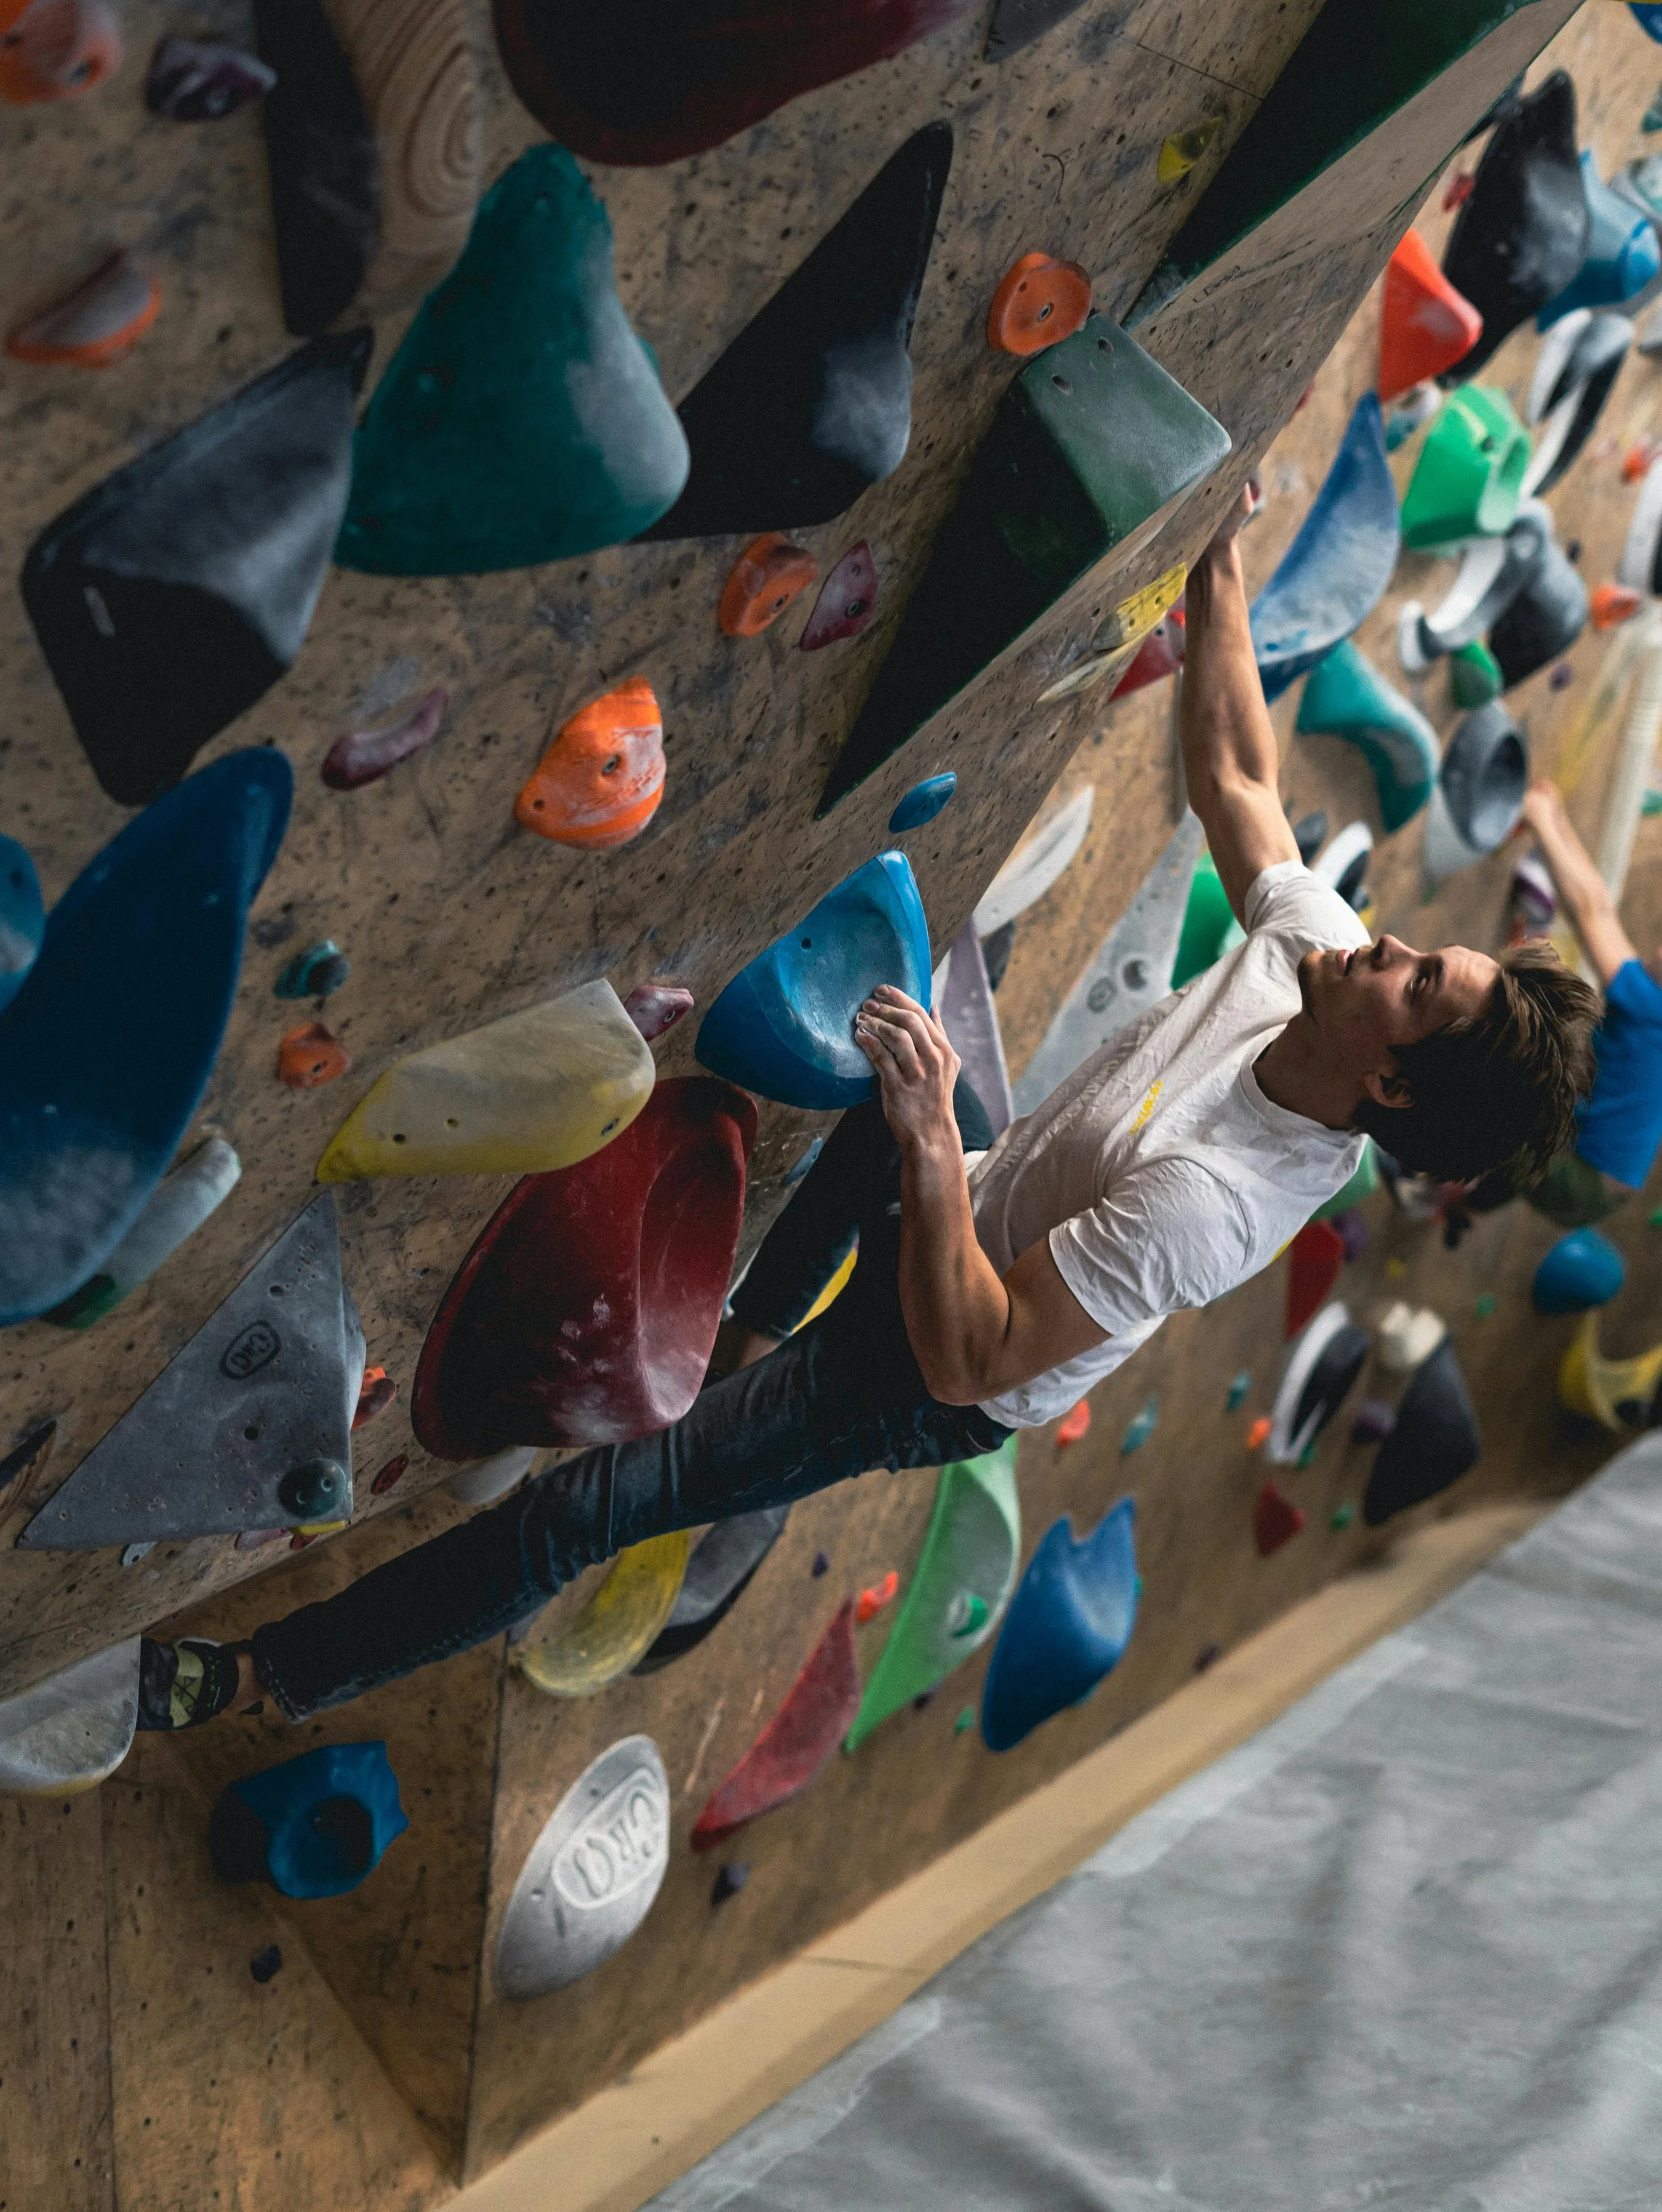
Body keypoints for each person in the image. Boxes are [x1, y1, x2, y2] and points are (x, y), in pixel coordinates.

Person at [139, 487, 1600, 1733]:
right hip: (989, 1196)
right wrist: (1219, 559)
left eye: (1414, 987)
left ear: (1390, 1080)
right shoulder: (1313, 968)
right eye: (1420, 952)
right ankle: (755, 1327)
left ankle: (259, 1676)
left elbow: (970, 1353)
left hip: (918, 1371)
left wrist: (921, 1143)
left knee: (589, 1511)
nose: (1387, 949)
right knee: (915, 1031)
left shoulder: (1208, 1207)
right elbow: (1233, 772)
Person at [1515, 777, 1662, 1218]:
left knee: (1503, 1086)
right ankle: (1468, 1203)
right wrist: (1554, 818)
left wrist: (1541, 819)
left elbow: (1590, 915)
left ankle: (1436, 1187)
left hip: (1578, 1179)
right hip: (1603, 1178)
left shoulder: (1650, 1009)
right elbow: (1601, 907)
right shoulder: (1654, 1006)